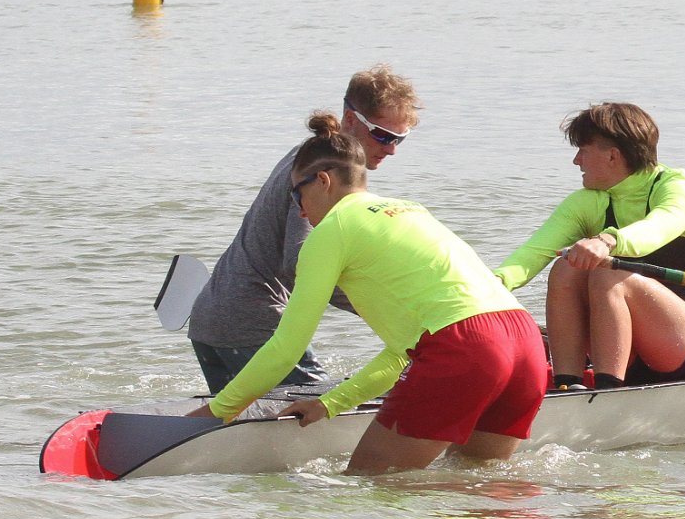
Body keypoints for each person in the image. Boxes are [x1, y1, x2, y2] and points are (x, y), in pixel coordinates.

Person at [194, 113, 547, 475]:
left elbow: (288, 346)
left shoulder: (331, 231)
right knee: (481, 487)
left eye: (297, 193)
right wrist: (329, 404)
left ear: (323, 181)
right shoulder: (412, 211)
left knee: (368, 487)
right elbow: (404, 352)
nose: (299, 209)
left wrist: (215, 413)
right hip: (525, 342)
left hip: (467, 348)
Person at [187, 66, 420, 393]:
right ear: (351, 120)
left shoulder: (311, 153)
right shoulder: (323, 174)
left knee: (247, 431)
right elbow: (299, 261)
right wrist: (385, 312)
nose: (392, 148)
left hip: (210, 320)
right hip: (253, 327)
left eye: (400, 138)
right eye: (383, 135)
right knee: (315, 414)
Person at [494, 103, 685, 391]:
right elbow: (534, 251)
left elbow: (657, 228)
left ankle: (608, 391)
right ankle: (569, 384)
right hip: (626, 350)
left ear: (613, 156)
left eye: (583, 150)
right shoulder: (589, 201)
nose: (576, 161)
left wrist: (607, 241)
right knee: (566, 267)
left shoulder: (676, 188)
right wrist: (492, 284)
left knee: (607, 274)